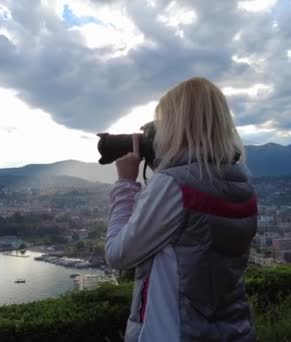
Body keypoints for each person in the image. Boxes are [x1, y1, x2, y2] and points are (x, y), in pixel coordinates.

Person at [105, 77, 258, 341]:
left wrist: (126, 184)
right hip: (234, 330)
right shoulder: (241, 181)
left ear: (177, 126)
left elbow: (117, 254)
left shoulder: (172, 185)